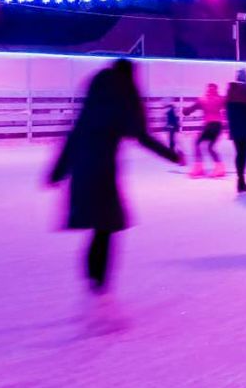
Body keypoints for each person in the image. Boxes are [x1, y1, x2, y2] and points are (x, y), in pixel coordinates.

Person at [48, 59, 183, 294]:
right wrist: (172, 155)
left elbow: (73, 136)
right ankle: (99, 290)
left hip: (82, 169)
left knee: (99, 228)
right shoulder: (124, 94)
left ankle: (94, 284)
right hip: (103, 170)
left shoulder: (95, 96)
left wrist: (57, 171)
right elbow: (141, 136)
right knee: (106, 227)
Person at [184, 83, 226, 177]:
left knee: (197, 143)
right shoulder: (220, 99)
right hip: (218, 126)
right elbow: (230, 104)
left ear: (207, 90)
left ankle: (198, 167)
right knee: (210, 147)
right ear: (216, 89)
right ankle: (220, 168)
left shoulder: (203, 100)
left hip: (209, 125)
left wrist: (185, 111)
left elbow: (191, 109)